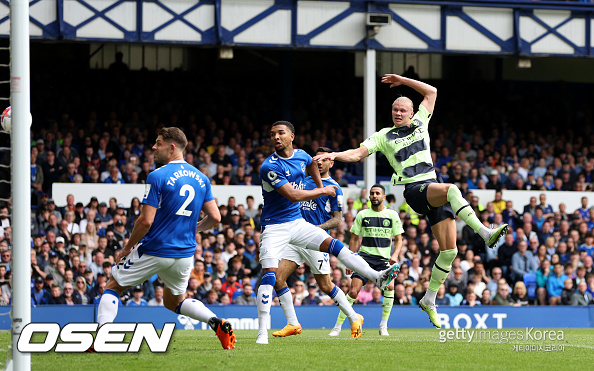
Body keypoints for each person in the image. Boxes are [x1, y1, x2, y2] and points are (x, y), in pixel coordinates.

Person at [313, 74, 508, 328]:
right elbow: (358, 153)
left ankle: (429, 299)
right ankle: (484, 233)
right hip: (415, 189)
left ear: (411, 112)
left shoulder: (420, 122)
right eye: (394, 109)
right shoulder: (383, 135)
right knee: (451, 189)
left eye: (402, 109)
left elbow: (432, 92)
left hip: (431, 188)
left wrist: (403, 81)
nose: (398, 112)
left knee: (450, 252)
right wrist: (335, 155)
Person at [255, 121, 399, 345]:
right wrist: (320, 187)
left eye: (280, 133)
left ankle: (373, 282)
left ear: (292, 136)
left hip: (304, 230)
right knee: (275, 277)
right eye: (272, 134)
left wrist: (321, 191)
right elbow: (293, 195)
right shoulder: (271, 167)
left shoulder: (329, 183)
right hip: (277, 227)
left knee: (326, 280)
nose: (276, 137)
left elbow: (338, 219)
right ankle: (274, 329)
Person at [95, 127, 235, 350]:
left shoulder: (157, 175)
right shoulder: (202, 178)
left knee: (113, 285)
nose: (153, 147)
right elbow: (216, 217)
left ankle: (99, 340)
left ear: (171, 147)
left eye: (158, 143)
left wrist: (127, 248)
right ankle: (216, 322)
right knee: (173, 302)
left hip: (156, 248)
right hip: (184, 254)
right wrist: (192, 230)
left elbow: (145, 221)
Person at [270, 147, 364, 339]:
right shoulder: (302, 182)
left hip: (314, 240)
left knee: (325, 285)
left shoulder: (333, 187)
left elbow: (337, 219)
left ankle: (355, 317)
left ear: (331, 162)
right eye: (316, 159)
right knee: (278, 279)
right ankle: (293, 323)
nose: (319, 163)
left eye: (323, 160)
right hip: (295, 238)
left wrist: (316, 230)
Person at [328, 184, 403, 337]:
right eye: (372, 193)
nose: (374, 196)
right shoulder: (362, 215)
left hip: (383, 260)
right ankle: (337, 327)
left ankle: (383, 326)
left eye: (377, 193)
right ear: (369, 197)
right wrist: (350, 260)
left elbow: (399, 239)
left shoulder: (392, 215)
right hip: (364, 258)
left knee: (390, 288)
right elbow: (354, 238)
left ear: (384, 197)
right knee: (353, 291)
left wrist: (395, 255)